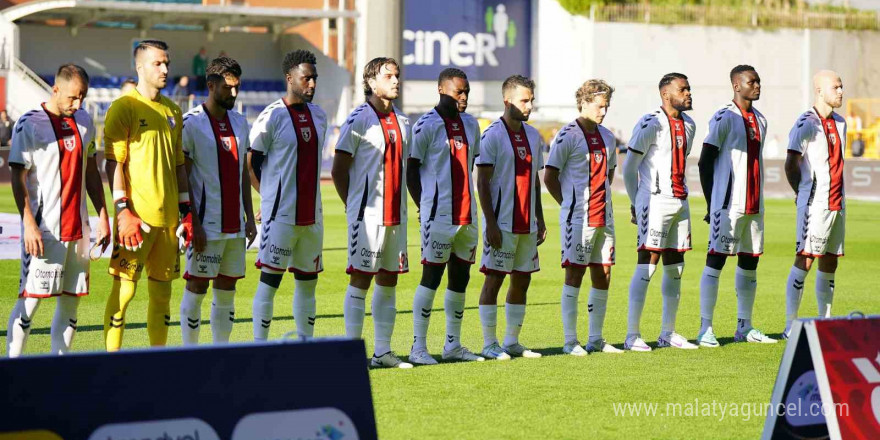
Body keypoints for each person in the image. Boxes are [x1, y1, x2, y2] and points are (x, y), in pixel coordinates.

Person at [6, 64, 110, 357]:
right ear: (55, 89)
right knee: (30, 302)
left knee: (71, 302)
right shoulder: (30, 123)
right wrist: (28, 223)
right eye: (72, 98)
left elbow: (91, 171)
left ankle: (59, 370)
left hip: (79, 231)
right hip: (45, 231)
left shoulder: (85, 121)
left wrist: (102, 215)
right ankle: (11, 369)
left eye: (83, 98)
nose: (77, 104)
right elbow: (18, 176)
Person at [103, 40, 191, 351]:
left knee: (162, 297)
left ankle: (158, 364)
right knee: (125, 293)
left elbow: (179, 165)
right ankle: (111, 361)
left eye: (167, 63)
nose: (165, 69)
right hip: (135, 222)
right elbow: (113, 163)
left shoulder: (173, 110)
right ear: (140, 67)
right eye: (158, 63)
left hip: (168, 223)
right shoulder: (124, 107)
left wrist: (187, 211)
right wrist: (123, 210)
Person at [332, 57, 412, 368]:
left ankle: (383, 352)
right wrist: (354, 206)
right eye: (388, 76)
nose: (395, 80)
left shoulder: (403, 122)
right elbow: (339, 170)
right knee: (361, 279)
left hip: (396, 217)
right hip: (368, 217)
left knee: (389, 280)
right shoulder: (358, 120)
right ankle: (353, 354)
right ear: (371, 82)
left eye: (397, 75)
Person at [248, 50, 327, 341]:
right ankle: (260, 346)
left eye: (315, 78)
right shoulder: (272, 116)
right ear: (289, 78)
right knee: (270, 282)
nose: (312, 84)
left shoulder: (320, 116)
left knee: (308, 284)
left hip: (312, 217)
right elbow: (251, 164)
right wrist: (267, 197)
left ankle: (305, 346)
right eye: (306, 78)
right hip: (280, 216)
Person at [406, 68, 484, 365]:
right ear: (440, 89)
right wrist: (422, 206)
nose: (463, 97)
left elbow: (469, 166)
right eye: (458, 92)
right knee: (431, 277)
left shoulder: (471, 124)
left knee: (461, 278)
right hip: (438, 216)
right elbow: (411, 170)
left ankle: (453, 345)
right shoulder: (425, 125)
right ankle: (418, 347)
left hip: (467, 215)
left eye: (466, 92)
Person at [178, 57, 256, 345]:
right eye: (227, 88)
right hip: (205, 226)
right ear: (211, 86)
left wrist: (248, 215)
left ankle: (220, 353)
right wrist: (190, 222)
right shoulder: (191, 124)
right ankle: (191, 353)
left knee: (227, 289)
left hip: (235, 225)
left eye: (237, 87)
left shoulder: (240, 122)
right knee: (196, 286)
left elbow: (243, 175)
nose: (233, 94)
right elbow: (181, 177)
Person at [696, 65, 777, 347]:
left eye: (759, 80)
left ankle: (745, 326)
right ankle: (705, 328)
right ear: (736, 85)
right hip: (728, 205)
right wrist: (712, 203)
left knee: (749, 262)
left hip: (756, 205)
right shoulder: (724, 117)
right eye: (751, 81)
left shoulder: (761, 119)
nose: (757, 85)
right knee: (716, 260)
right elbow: (705, 161)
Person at [544, 79, 623, 356]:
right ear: (585, 102)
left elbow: (610, 174)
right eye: (600, 106)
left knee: (603, 273)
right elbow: (550, 176)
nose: (604, 112)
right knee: (574, 274)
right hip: (578, 218)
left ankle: (596, 339)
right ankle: (569, 340)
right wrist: (568, 205)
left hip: (605, 216)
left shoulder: (609, 137)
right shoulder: (567, 135)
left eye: (607, 106)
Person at [622, 72, 698, 351]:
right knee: (648, 262)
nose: (689, 93)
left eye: (689, 88)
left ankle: (668, 332)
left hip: (681, 201)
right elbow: (630, 168)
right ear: (666, 94)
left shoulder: (689, 124)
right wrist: (636, 201)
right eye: (683, 89)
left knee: (676, 266)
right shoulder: (650, 123)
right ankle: (632, 334)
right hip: (654, 201)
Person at [476, 75, 546, 360]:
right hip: (502, 223)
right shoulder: (492, 134)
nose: (529, 106)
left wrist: (540, 218)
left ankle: (512, 341)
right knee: (494, 280)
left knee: (522, 280)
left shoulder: (533, 136)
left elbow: (535, 180)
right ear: (507, 101)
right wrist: (490, 223)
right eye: (524, 100)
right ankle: (489, 343)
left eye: (531, 100)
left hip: (527, 222)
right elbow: (482, 181)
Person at [783, 70, 847, 339]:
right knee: (805, 258)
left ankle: (826, 321)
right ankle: (791, 324)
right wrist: (802, 192)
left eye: (842, 86)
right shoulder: (806, 123)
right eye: (836, 87)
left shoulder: (841, 122)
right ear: (820, 91)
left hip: (838, 203)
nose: (841, 91)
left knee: (830, 261)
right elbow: (791, 163)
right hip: (815, 203)